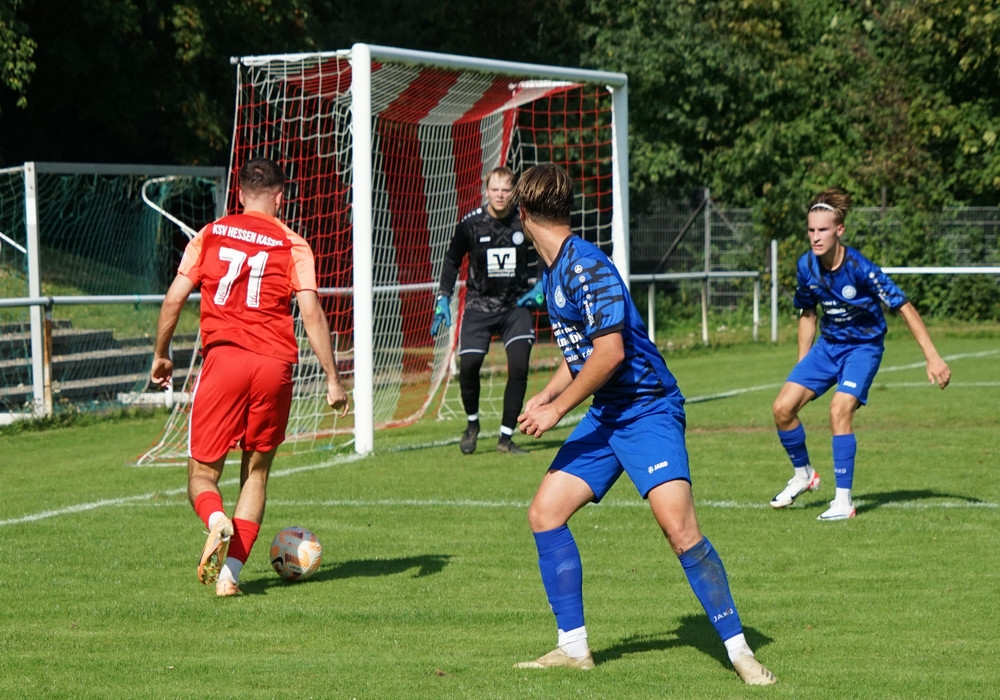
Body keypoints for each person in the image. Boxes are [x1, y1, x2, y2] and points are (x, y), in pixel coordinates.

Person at [510, 164, 776, 685]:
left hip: (647, 408)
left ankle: (741, 652)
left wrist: (557, 411)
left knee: (680, 531)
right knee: (545, 514)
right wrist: (548, 391)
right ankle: (573, 648)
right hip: (608, 413)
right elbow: (582, 349)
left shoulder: (586, 265)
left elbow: (610, 353)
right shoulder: (555, 269)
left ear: (523, 214)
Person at [150, 157, 349, 597]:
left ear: (239, 194)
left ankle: (215, 520)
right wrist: (333, 379)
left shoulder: (210, 233)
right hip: (274, 366)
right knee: (256, 473)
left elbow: (174, 298)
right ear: (280, 198)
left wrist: (162, 355)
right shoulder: (294, 243)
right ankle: (229, 577)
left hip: (225, 361)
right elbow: (311, 312)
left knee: (202, 475)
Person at [770, 187, 951, 520]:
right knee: (782, 408)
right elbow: (807, 314)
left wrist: (933, 357)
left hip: (862, 349)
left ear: (839, 230)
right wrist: (802, 363)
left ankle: (843, 501)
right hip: (827, 348)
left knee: (839, 409)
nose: (815, 237)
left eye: (822, 230)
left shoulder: (860, 268)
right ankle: (804, 475)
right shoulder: (806, 266)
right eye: (810, 230)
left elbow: (903, 305)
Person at [431, 166, 543, 455]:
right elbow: (451, 260)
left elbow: (546, 251)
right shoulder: (470, 224)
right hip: (479, 306)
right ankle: (472, 425)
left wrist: (543, 283)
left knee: (519, 365)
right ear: (486, 191)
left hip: (516, 306)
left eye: (506, 190)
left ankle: (506, 438)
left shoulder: (525, 221)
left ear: (513, 192)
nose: (500, 195)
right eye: (495, 189)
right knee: (469, 365)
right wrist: (443, 297)